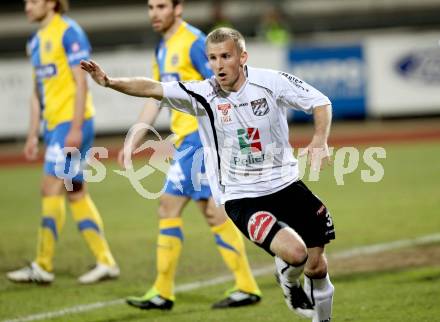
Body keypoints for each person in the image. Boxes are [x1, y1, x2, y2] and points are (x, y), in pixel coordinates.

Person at [81, 27, 336, 322]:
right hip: (241, 196)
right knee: (296, 254)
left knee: (316, 266)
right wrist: (109, 82)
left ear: (242, 57)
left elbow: (320, 102)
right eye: (212, 58)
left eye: (225, 56)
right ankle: (290, 281)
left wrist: (320, 139)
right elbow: (152, 87)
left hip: (286, 184)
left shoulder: (270, 82)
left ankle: (314, 308)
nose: (218, 64)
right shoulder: (202, 94)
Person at [120, 0, 261, 311]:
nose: (154, 13)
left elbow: (226, 85)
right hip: (188, 141)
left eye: (161, 6)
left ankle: (162, 291)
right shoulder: (163, 47)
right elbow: (157, 95)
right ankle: (247, 285)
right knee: (212, 212)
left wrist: (236, 133)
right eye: (150, 7)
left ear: (178, 7)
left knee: (169, 205)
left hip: (201, 139)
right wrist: (135, 137)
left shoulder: (195, 42)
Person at [6, 0, 119, 285]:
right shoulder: (34, 42)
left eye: (34, 1)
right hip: (55, 126)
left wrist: (77, 127)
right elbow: (37, 92)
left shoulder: (69, 32)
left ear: (52, 3)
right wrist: (33, 133)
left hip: (71, 123)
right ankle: (106, 261)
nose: (27, 7)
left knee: (50, 187)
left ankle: (43, 266)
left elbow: (81, 83)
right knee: (75, 191)